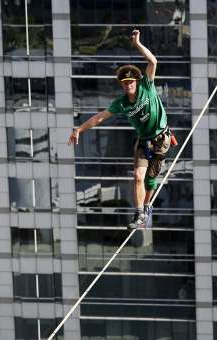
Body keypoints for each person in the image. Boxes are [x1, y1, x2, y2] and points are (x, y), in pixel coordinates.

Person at [68, 29, 171, 229]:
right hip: (143, 141)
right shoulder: (122, 103)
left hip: (161, 138)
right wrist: (79, 129)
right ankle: (140, 213)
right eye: (125, 84)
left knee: (150, 180)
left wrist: (138, 44)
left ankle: (148, 204)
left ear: (136, 81)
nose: (128, 86)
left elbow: (153, 62)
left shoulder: (147, 86)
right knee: (137, 177)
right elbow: (99, 118)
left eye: (131, 82)